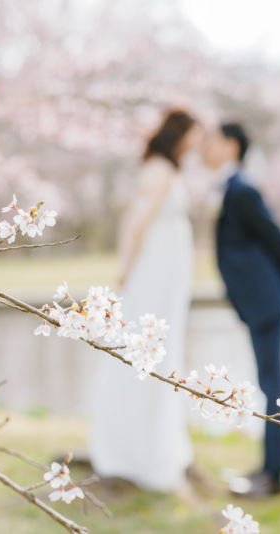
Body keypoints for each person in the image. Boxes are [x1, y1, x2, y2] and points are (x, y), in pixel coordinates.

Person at [202, 122, 280, 498]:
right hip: (257, 301)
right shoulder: (229, 187)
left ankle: (275, 477)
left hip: (265, 300)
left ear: (232, 146)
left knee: (272, 385)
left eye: (213, 141)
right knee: (269, 383)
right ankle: (272, 466)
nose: (206, 148)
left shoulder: (241, 188)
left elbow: (273, 235)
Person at [88, 109, 203, 492]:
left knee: (163, 348)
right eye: (195, 135)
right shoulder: (159, 169)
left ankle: (159, 443)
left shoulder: (167, 168)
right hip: (156, 268)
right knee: (147, 344)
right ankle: (135, 449)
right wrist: (126, 268)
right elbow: (137, 221)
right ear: (180, 134)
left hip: (168, 269)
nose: (198, 143)